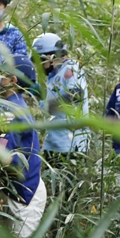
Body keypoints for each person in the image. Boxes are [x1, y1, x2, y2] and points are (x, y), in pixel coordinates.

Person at [0, 54, 47, 238]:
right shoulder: (7, 107)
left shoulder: (13, 112)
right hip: (10, 191)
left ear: (12, 80)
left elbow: (8, 160)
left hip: (24, 195)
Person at [32, 33, 90, 164]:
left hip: (70, 143)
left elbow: (75, 95)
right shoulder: (53, 75)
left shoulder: (71, 68)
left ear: (49, 57)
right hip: (53, 141)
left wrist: (48, 105)